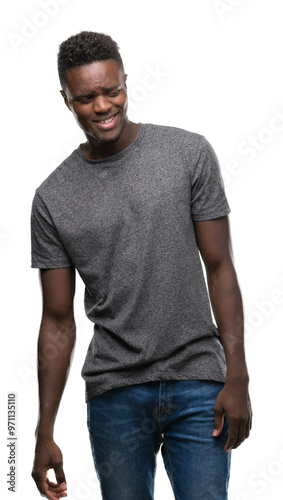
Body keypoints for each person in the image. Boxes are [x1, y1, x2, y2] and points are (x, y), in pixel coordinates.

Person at [31, 31, 252, 500]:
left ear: (126, 80)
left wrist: (238, 376)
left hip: (198, 382)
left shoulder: (187, 154)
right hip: (115, 394)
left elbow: (221, 269)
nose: (103, 105)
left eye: (112, 90)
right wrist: (42, 430)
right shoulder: (52, 199)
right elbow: (56, 320)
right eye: (86, 97)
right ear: (66, 99)